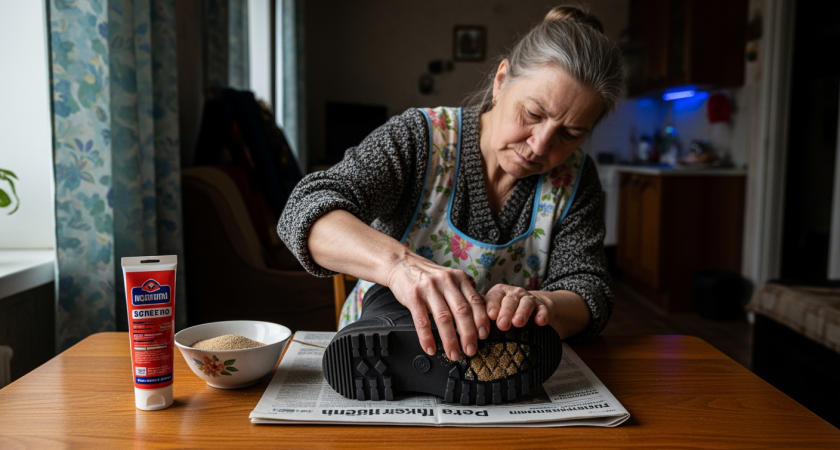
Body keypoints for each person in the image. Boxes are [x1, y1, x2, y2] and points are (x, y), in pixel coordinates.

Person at [278, 6, 624, 402]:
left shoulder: (577, 180)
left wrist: (541, 304)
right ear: (500, 81)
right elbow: (305, 207)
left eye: (571, 133)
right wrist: (399, 266)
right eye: (532, 114)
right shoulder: (420, 139)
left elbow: (589, 288)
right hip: (381, 351)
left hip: (492, 367)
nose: (541, 145)